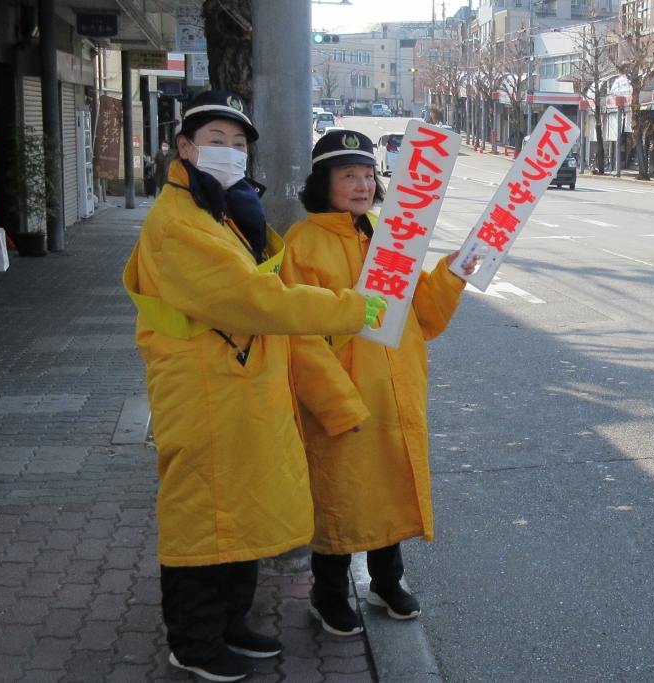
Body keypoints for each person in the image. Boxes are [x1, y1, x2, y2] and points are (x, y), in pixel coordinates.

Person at [122, 91, 386, 682]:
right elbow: (254, 298)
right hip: (203, 392)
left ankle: (229, 621)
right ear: (185, 147)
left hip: (236, 387)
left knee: (238, 510)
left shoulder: (220, 210)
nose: (231, 153)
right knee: (204, 516)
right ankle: (192, 641)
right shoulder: (179, 224)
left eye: (240, 144)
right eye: (216, 141)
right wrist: (348, 308)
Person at [280, 130, 476, 637]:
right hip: (343, 394)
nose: (362, 184)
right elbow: (297, 336)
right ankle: (328, 594)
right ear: (323, 183)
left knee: (389, 484)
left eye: (368, 174)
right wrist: (335, 402)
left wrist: (450, 275)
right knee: (339, 495)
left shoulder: (389, 235)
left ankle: (386, 581)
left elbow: (422, 317)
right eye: (348, 174)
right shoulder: (303, 244)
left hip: (396, 386)